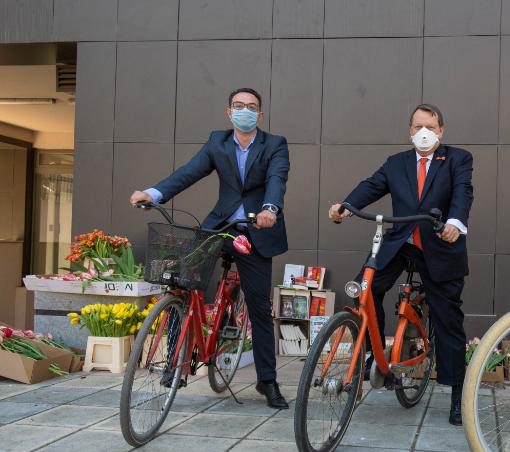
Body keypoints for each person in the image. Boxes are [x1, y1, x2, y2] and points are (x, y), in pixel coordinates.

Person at [130, 87, 291, 409]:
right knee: (182, 284)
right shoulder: (217, 142)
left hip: (256, 229)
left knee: (259, 307)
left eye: (251, 107)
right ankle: (176, 362)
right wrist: (154, 193)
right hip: (219, 226)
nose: (245, 111)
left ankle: (267, 381)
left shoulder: (274, 144)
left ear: (260, 115)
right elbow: (188, 172)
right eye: (238, 106)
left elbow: (277, 178)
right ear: (229, 112)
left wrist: (270, 209)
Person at [329, 104, 473, 426]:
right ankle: (375, 355)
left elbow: (463, 193)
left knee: (447, 318)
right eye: (418, 126)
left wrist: (455, 223)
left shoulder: (457, 159)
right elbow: (371, 185)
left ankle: (457, 395)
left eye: (431, 127)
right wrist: (346, 206)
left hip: (440, 245)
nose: (424, 132)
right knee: (364, 289)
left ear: (441, 131)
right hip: (401, 243)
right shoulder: (397, 163)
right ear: (409, 131)